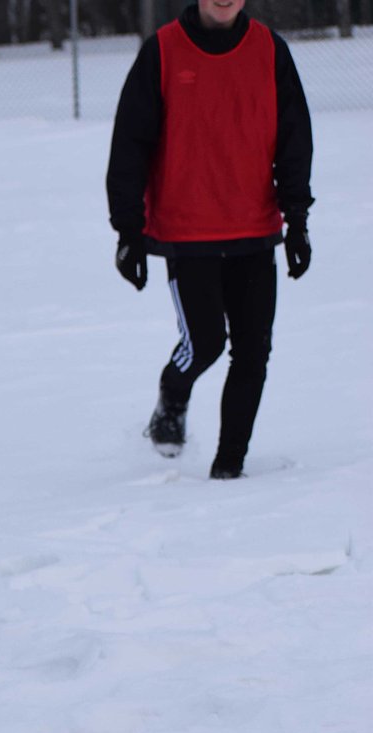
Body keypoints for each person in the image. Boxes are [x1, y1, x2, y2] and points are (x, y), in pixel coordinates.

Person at [106, 0, 314, 479]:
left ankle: (228, 468)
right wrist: (129, 231)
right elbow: (129, 145)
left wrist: (297, 219)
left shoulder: (270, 51)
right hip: (188, 232)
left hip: (255, 230)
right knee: (204, 344)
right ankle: (173, 394)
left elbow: (293, 139)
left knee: (253, 351)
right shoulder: (161, 52)